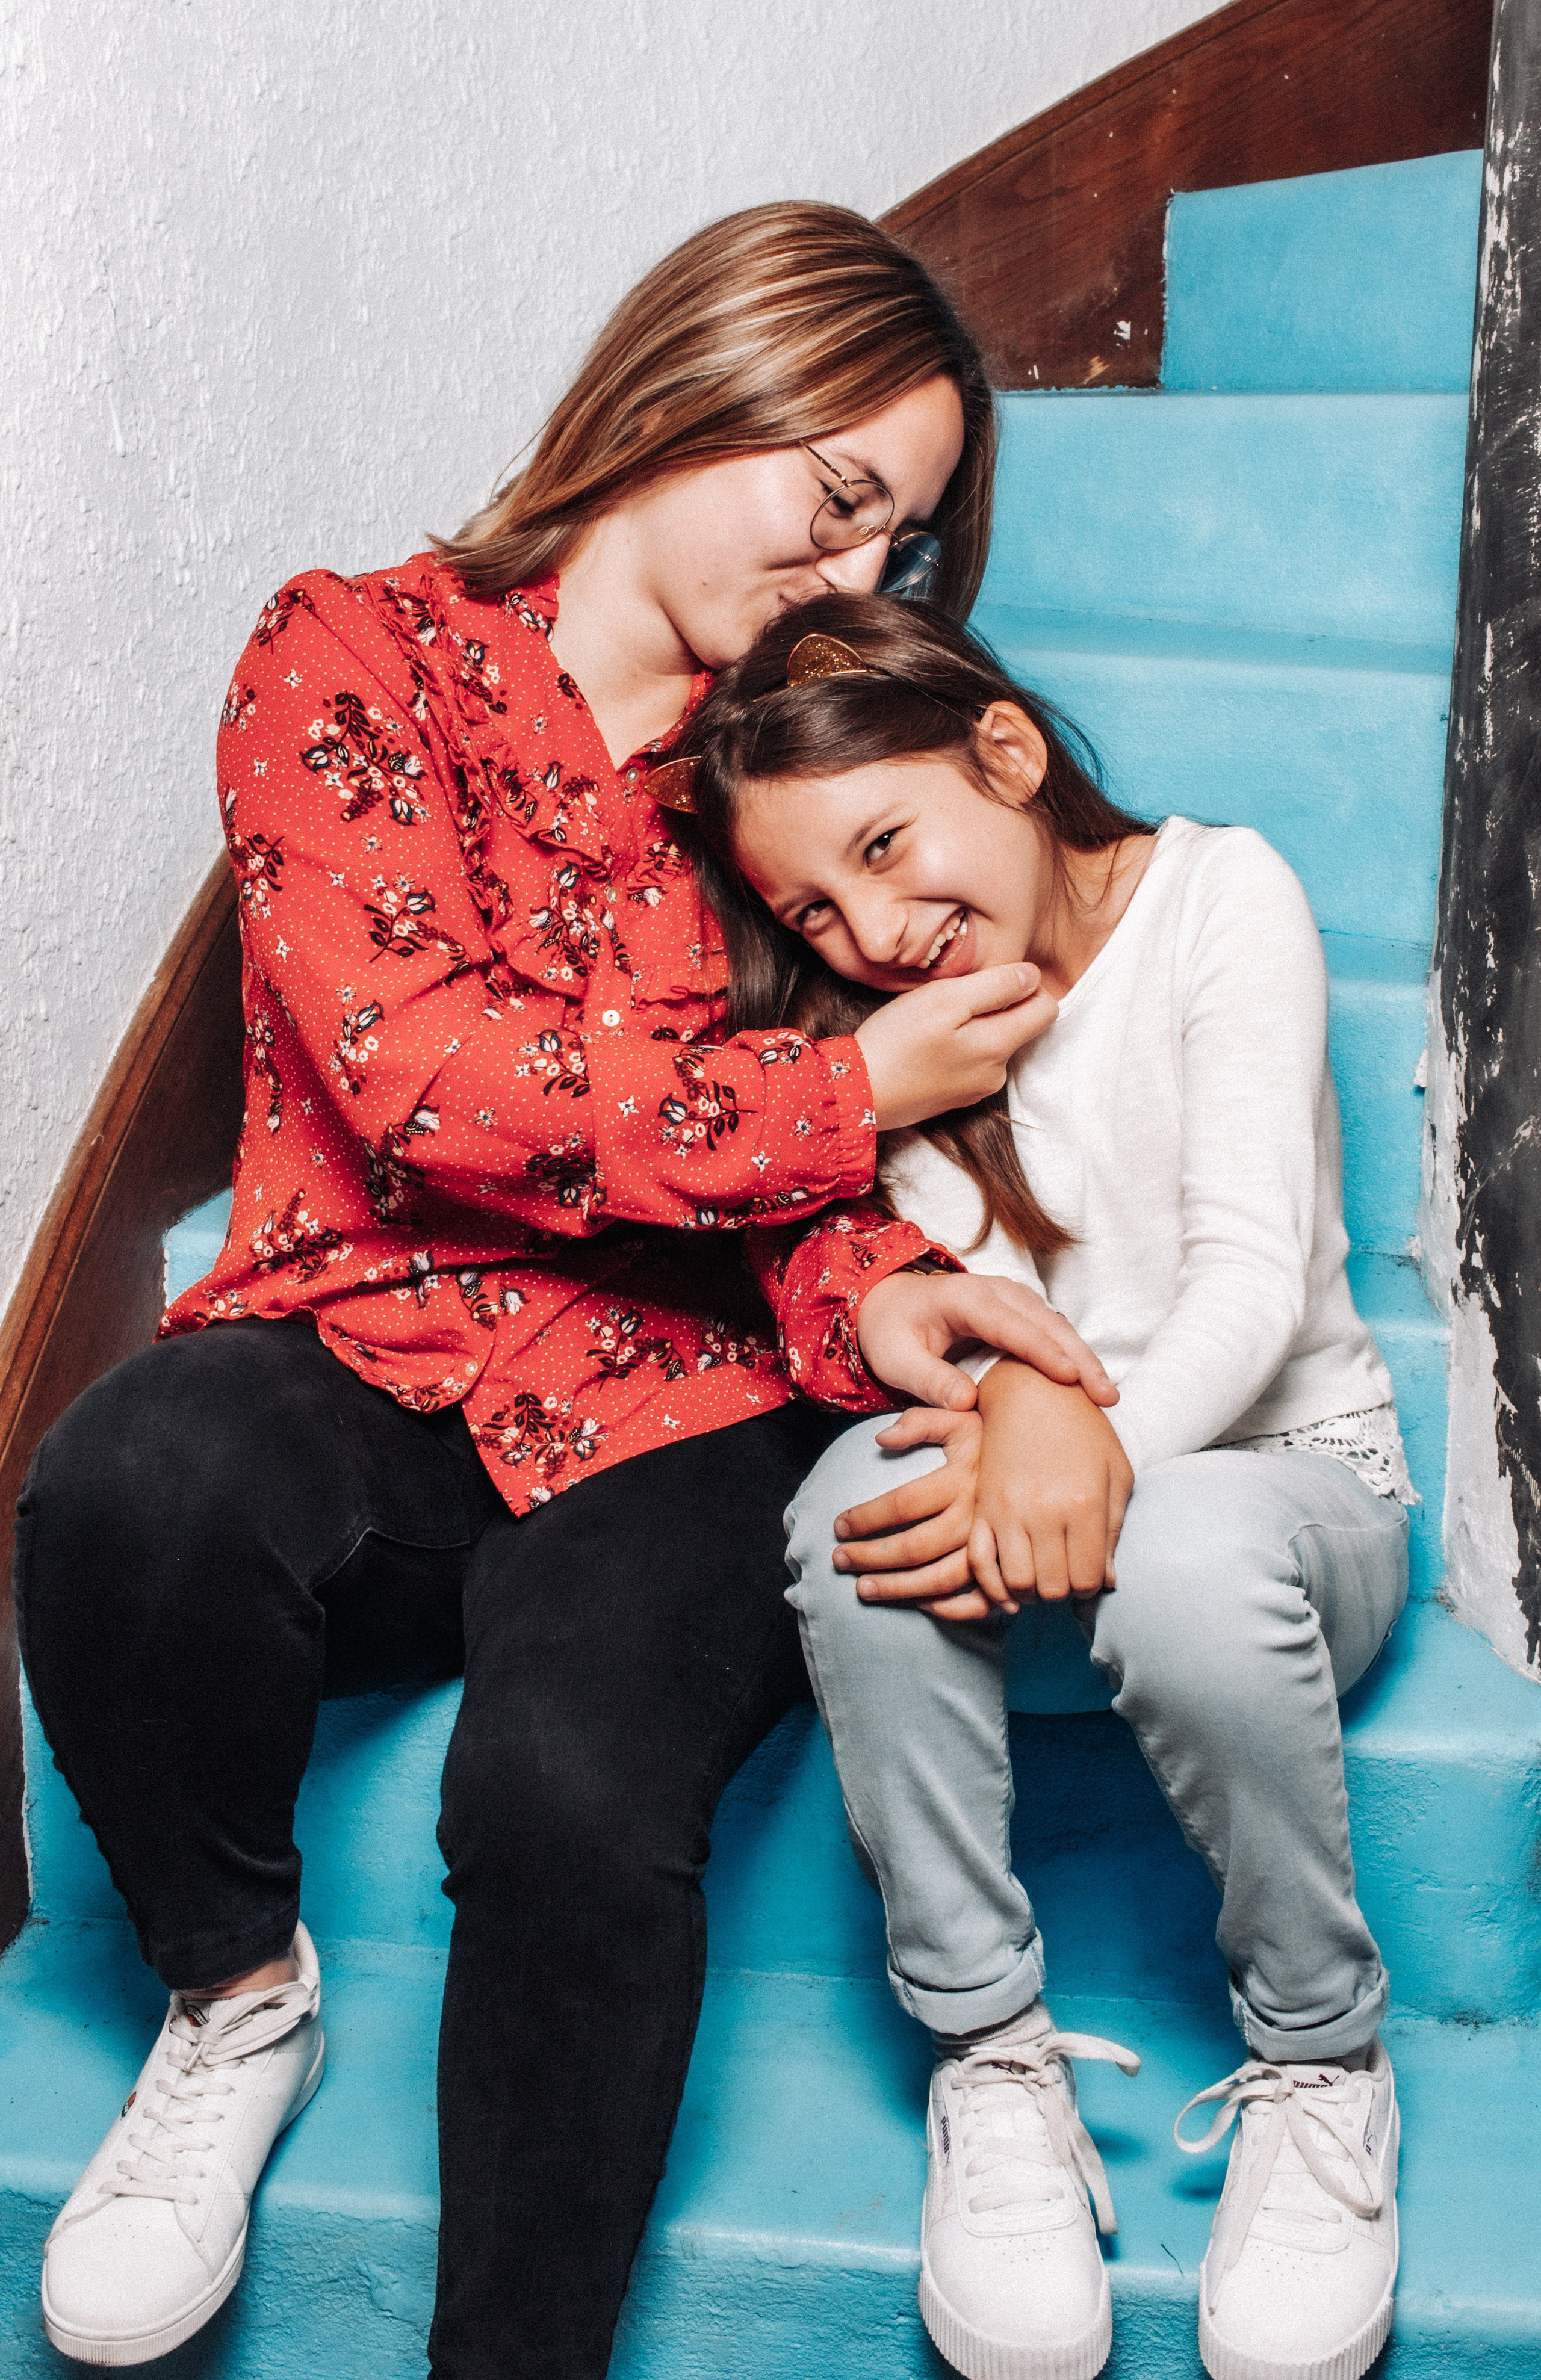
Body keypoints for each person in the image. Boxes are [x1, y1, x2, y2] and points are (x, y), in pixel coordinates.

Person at [13, 207, 1123, 2377]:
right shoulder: (351, 650)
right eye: (836, 498)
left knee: (567, 1793)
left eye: (892, 545)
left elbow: (816, 1183)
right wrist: (837, 1087)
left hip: (680, 1402)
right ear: (710, 372)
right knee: (124, 1484)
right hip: (358, 1344)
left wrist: (882, 1301)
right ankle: (235, 1993)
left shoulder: (786, 784)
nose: (848, 573)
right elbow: (414, 1072)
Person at [661, 589, 1415, 2380]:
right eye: (816, 910)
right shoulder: (906, 1037)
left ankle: (1324, 2053)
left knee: (1176, 1561)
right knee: (850, 1522)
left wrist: (1096, 1441)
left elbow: (1249, 1280)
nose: (874, 927)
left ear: (1005, 752)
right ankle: (987, 2052)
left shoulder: (1222, 896)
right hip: (1032, 1498)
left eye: (886, 844)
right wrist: (1018, 1409)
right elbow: (947, 1318)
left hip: (1277, 1486)